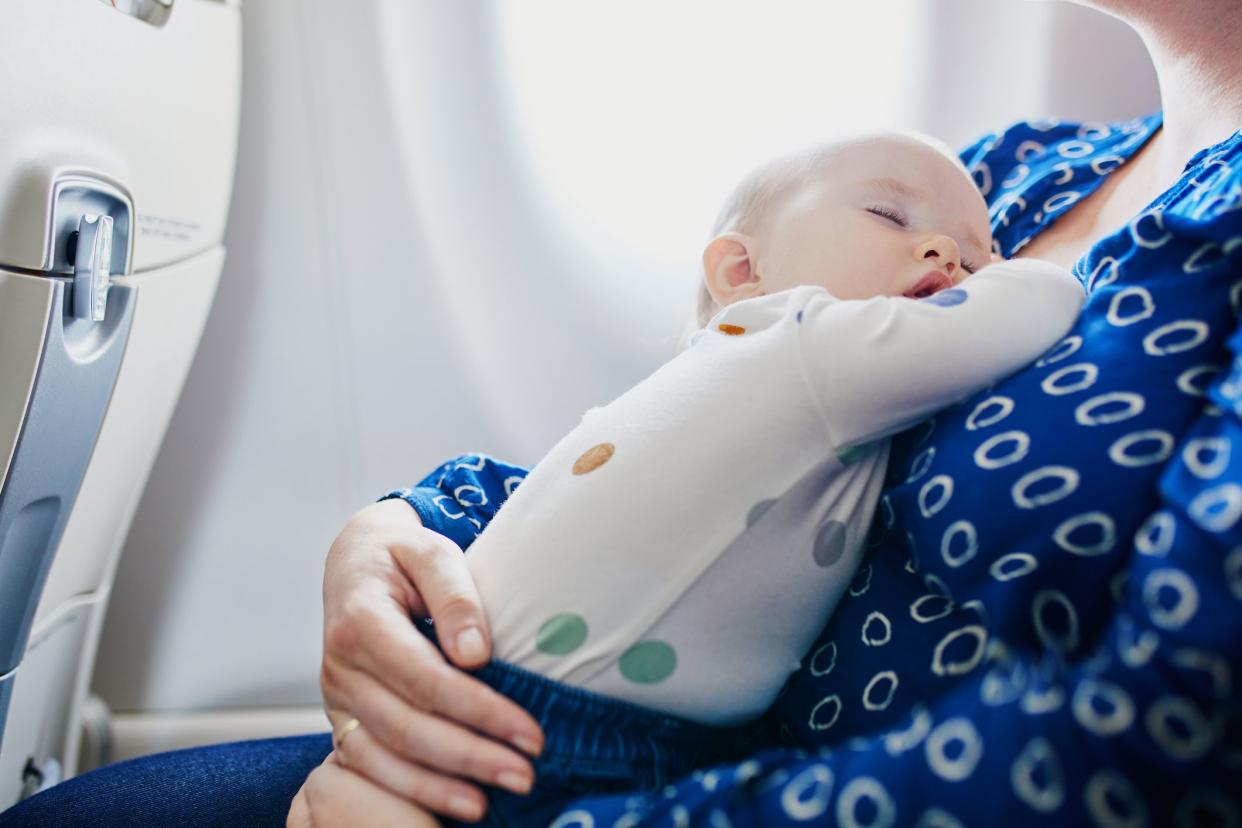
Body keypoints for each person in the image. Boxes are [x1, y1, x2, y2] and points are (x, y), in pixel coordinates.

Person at [0, 1, 1236, 826]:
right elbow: (689, 432)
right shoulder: (1012, 179)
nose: (941, 261)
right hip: (570, 714)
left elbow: (1159, 740)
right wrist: (407, 533)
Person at [355, 132, 1081, 826]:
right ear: (740, 272)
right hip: (566, 732)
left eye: (980, 261)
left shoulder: (722, 373)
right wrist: (1029, 272)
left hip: (491, 683)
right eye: (889, 215)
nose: (949, 254)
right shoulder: (805, 344)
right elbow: (1032, 306)